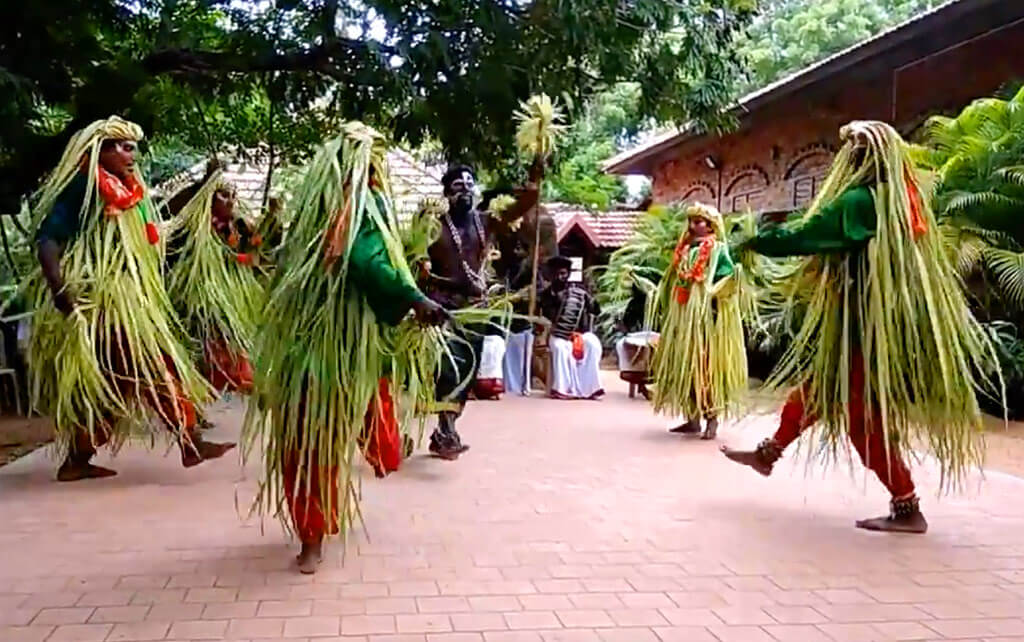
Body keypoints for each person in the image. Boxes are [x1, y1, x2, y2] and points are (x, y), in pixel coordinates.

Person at [721, 120, 1000, 533]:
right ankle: (769, 454)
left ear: (861, 158)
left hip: (867, 329)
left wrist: (756, 240)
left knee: (860, 419)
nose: (844, 158)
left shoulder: (858, 201)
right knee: (817, 392)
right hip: (878, 326)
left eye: (850, 152)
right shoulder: (904, 200)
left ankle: (906, 505)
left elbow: (807, 235)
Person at [243, 123, 445, 574]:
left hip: (315, 346)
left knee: (314, 438)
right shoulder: (356, 208)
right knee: (318, 437)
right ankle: (314, 531)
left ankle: (315, 529)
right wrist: (415, 299)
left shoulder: (316, 212)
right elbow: (367, 262)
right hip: (327, 350)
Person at [28, 117, 234, 482]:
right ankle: (190, 440)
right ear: (99, 151)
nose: (131, 154)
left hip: (131, 297)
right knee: (154, 364)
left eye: (133, 147)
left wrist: (205, 184)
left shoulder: (130, 190)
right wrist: (60, 290)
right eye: (122, 146)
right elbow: (48, 240)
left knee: (113, 380)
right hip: (105, 299)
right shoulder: (84, 187)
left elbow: (164, 214)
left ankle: (77, 458)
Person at [423, 164, 540, 458]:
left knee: (467, 370)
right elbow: (415, 259)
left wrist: (535, 179)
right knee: (448, 368)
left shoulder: (485, 222)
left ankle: (444, 430)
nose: (464, 189)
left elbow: (519, 208)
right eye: (457, 185)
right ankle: (447, 428)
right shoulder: (431, 224)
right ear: (446, 192)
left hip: (475, 308)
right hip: (443, 306)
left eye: (469, 184)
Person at [648, 203, 746, 439]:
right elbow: (672, 280)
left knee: (704, 367)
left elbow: (727, 279)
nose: (693, 226)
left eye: (699, 222)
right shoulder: (684, 249)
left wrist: (715, 294)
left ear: (710, 225)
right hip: (682, 317)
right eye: (691, 221)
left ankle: (711, 419)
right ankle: (692, 419)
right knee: (685, 364)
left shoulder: (717, 249)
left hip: (705, 319)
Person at [165, 169, 262, 396]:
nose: (230, 202)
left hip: (227, 297)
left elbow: (256, 254)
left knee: (228, 336)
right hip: (196, 300)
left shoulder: (239, 227)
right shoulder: (193, 227)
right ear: (208, 197)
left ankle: (225, 381)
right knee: (201, 345)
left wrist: (245, 255)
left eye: (232, 196)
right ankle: (192, 397)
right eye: (223, 196)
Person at [539, 256, 603, 400]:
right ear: (551, 275)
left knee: (592, 343)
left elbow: (596, 310)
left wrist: (590, 299)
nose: (560, 277)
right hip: (558, 335)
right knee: (561, 348)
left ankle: (592, 388)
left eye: (563, 273)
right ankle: (563, 389)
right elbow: (547, 316)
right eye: (556, 274)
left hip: (580, 335)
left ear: (568, 274)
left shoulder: (579, 291)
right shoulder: (546, 295)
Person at [614, 284, 653, 400]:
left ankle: (640, 382)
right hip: (649, 335)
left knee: (622, 345)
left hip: (639, 336)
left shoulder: (635, 304)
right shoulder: (652, 302)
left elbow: (627, 322)